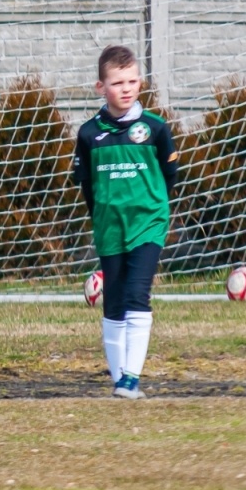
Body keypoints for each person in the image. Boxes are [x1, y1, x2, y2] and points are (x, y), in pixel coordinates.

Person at [72, 44, 179, 400]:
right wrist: (102, 215)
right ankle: (120, 380)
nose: (127, 88)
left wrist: (151, 205)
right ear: (101, 87)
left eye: (132, 81)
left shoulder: (155, 128)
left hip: (148, 224)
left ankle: (132, 377)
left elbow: (169, 175)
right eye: (118, 83)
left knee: (136, 294)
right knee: (114, 302)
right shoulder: (89, 134)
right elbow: (87, 186)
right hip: (109, 227)